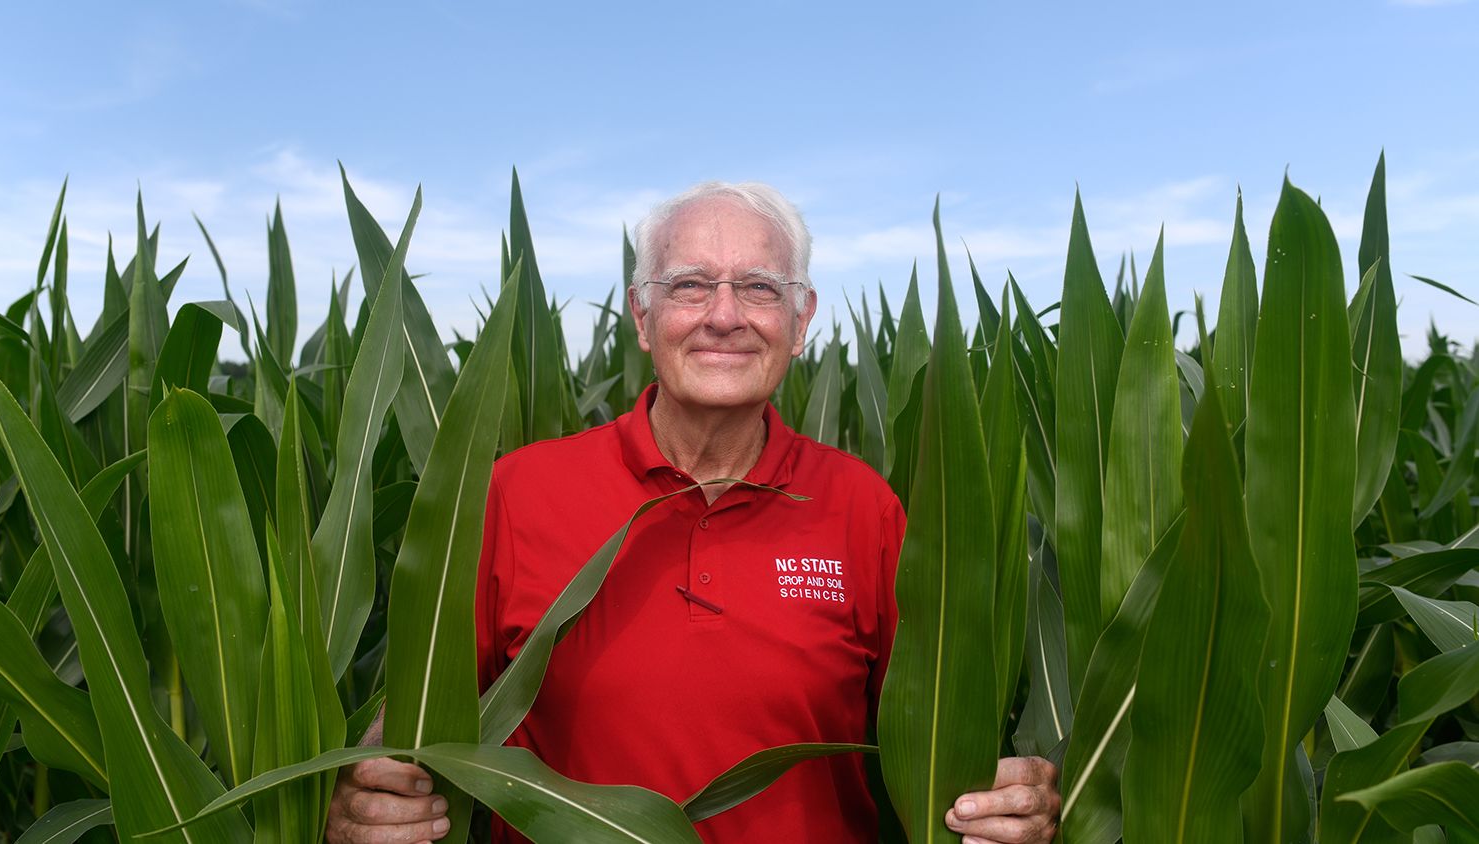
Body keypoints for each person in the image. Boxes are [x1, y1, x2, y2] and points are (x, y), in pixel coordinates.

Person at [325, 182, 1061, 843]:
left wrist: (1011, 806)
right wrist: (361, 796)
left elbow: (943, 737)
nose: (724, 315)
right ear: (642, 318)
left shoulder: (865, 509)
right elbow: (414, 725)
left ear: (801, 322)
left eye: (760, 288)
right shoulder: (513, 496)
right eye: (689, 286)